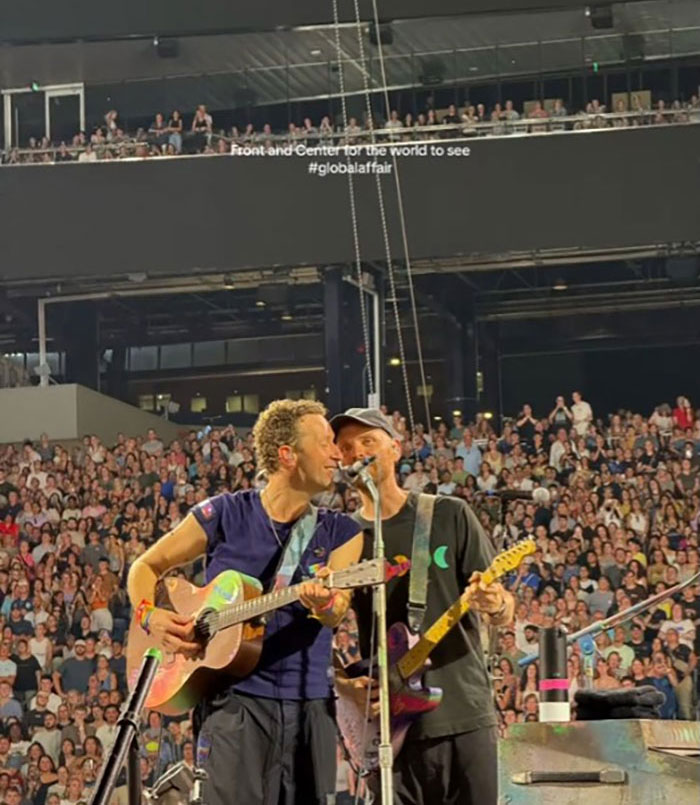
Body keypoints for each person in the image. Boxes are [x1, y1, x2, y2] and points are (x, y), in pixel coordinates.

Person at [127, 399, 363, 805]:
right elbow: (145, 567)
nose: (337, 454)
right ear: (287, 454)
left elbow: (338, 610)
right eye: (325, 443)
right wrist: (150, 615)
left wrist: (321, 603)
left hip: (310, 708)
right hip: (233, 705)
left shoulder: (341, 531)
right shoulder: (226, 513)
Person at [332, 407, 515, 805]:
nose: (357, 452)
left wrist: (494, 601)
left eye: (368, 442)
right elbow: (315, 634)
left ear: (395, 448)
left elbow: (504, 609)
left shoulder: (448, 514)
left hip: (463, 713)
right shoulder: (343, 539)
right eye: (346, 448)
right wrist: (344, 687)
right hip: (390, 727)